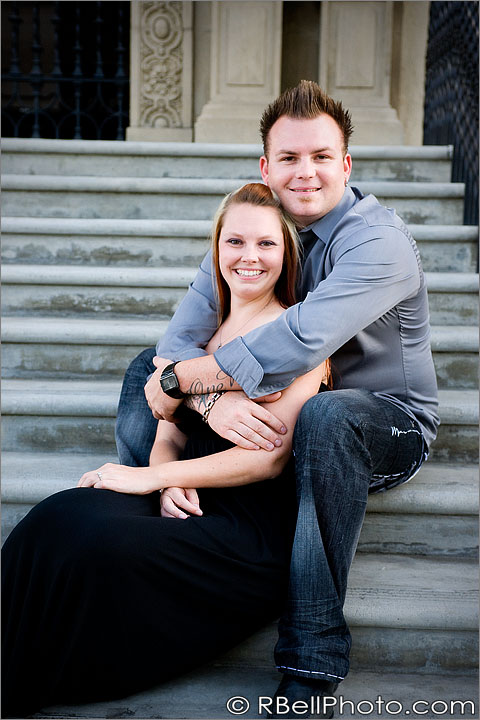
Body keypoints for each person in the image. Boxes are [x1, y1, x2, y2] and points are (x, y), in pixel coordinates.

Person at [114, 80, 440, 718]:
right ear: (266, 167)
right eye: (289, 158)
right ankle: (165, 505)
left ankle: (312, 659)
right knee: (140, 369)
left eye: (321, 156)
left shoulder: (379, 244)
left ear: (346, 164)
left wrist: (186, 386)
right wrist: (205, 405)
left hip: (381, 420)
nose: (305, 172)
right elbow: (179, 337)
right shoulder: (260, 228)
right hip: (279, 408)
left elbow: (298, 340)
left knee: (326, 415)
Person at [1, 183, 331, 718]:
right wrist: (167, 477)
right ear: (216, 249)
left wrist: (146, 480)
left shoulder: (299, 338)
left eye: (267, 245)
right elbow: (168, 431)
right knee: (54, 517)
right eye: (235, 242)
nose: (249, 257)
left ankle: (34, 674)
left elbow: (268, 457)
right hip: (185, 499)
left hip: (245, 531)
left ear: (287, 254)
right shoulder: (201, 338)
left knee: (97, 543)